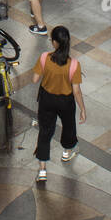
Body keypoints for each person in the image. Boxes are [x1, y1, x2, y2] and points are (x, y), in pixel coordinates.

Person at [31, 26, 85, 183]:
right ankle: (66, 153)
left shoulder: (44, 58)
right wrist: (82, 109)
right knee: (69, 127)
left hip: (47, 99)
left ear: (54, 42)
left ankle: (42, 170)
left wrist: (46, 74)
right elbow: (76, 91)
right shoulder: (74, 64)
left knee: (45, 132)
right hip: (66, 101)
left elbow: (34, 79)